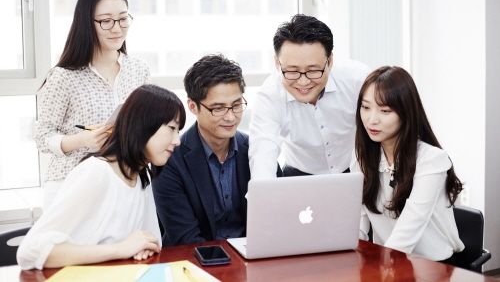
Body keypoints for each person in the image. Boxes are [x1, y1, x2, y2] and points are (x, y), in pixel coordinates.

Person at [17, 84, 186, 270]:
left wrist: (142, 248)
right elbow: (29, 251)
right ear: (142, 125)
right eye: (171, 128)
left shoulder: (140, 177)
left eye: (178, 131)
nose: (177, 140)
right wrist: (121, 249)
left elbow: (149, 240)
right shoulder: (96, 172)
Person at [35, 0, 150, 209]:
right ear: (87, 24)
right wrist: (83, 140)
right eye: (106, 21)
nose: (117, 28)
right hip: (72, 185)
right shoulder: (63, 76)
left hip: (124, 181)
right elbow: (42, 136)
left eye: (123, 18)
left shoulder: (139, 70)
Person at [350, 66, 464, 261]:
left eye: (385, 110)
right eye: (366, 107)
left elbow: (410, 227)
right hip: (386, 260)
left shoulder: (431, 160)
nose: (372, 119)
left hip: (433, 266)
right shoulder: (362, 156)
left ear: (406, 113)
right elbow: (358, 223)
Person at [249, 14, 370, 178]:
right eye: (292, 71)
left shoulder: (358, 79)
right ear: (277, 64)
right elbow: (262, 154)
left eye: (313, 71)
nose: (303, 82)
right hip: (298, 173)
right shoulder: (269, 96)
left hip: (355, 168)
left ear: (330, 61)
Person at [152, 54, 251, 246]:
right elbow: (185, 239)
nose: (231, 117)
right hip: (196, 262)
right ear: (193, 106)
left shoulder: (256, 151)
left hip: (252, 258)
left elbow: (276, 222)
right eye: (218, 108)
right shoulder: (170, 160)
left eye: (236, 105)